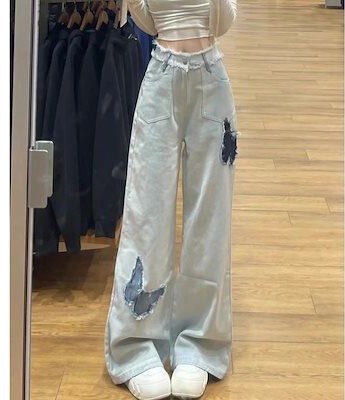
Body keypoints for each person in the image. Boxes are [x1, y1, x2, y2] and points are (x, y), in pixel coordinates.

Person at [104, 1, 238, 398]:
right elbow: (148, 21)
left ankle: (201, 341)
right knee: (146, 212)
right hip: (161, 75)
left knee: (210, 217)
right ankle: (135, 346)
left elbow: (224, 21)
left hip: (212, 77)